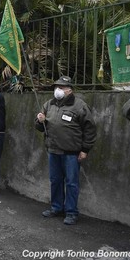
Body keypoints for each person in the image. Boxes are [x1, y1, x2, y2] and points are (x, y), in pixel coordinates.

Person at [35, 76, 97, 225]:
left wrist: (85, 149)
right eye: (56, 87)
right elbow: (39, 127)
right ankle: (56, 207)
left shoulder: (80, 106)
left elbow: (90, 129)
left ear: (70, 90)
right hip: (53, 150)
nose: (58, 90)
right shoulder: (49, 104)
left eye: (61, 87)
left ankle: (71, 212)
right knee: (55, 181)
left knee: (71, 183)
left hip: (71, 153)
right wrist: (39, 120)